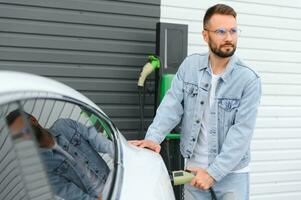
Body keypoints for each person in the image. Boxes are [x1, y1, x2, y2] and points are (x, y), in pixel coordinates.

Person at [130, 4, 261, 200]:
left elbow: (241, 134)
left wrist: (212, 173)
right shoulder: (189, 67)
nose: (229, 38)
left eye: (233, 31)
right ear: (205, 35)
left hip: (232, 175)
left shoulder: (249, 80)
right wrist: (153, 138)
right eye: (221, 31)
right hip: (192, 171)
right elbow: (171, 107)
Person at [6, 109, 114, 200]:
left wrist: (122, 153)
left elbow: (99, 141)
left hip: (114, 180)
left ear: (33, 120)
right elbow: (73, 195)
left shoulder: (65, 125)